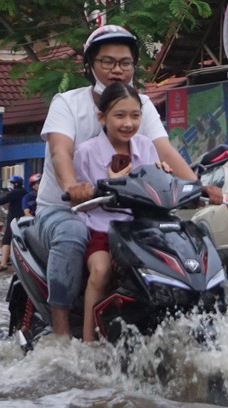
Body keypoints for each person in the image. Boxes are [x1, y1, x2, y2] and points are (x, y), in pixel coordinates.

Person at [36, 25, 222, 338]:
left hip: (124, 210)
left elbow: (163, 150)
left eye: (125, 62)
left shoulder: (141, 104)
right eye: (107, 62)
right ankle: (63, 333)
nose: (117, 70)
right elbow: (60, 152)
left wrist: (198, 186)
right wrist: (72, 187)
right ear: (90, 65)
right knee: (72, 233)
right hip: (66, 209)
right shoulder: (67, 103)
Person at [74, 82, 167, 341]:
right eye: (120, 115)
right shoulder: (86, 152)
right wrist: (110, 182)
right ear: (102, 117)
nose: (128, 123)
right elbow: (81, 202)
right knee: (101, 271)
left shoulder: (147, 147)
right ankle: (88, 343)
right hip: (102, 230)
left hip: (140, 231)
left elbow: (154, 190)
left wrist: (163, 176)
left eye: (135, 115)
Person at [0, 175, 27, 271]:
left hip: (13, 219)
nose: (11, 185)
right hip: (22, 219)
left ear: (16, 184)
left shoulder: (14, 193)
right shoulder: (24, 192)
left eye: (12, 183)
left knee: (6, 240)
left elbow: (2, 200)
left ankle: (3, 263)